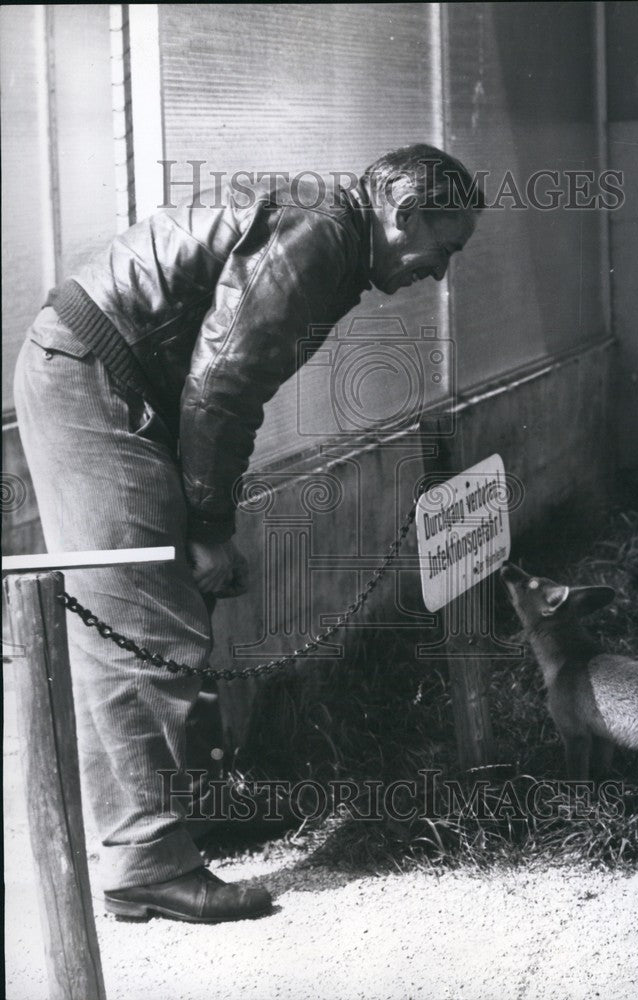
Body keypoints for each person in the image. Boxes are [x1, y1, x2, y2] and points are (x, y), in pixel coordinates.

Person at [13, 143, 481, 922]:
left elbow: (218, 378)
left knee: (150, 615)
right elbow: (223, 385)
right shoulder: (321, 238)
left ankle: (185, 820)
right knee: (137, 622)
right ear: (404, 215)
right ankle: (148, 866)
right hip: (90, 376)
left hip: (110, 372)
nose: (440, 273)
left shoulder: (331, 235)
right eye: (445, 248)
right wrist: (210, 528)